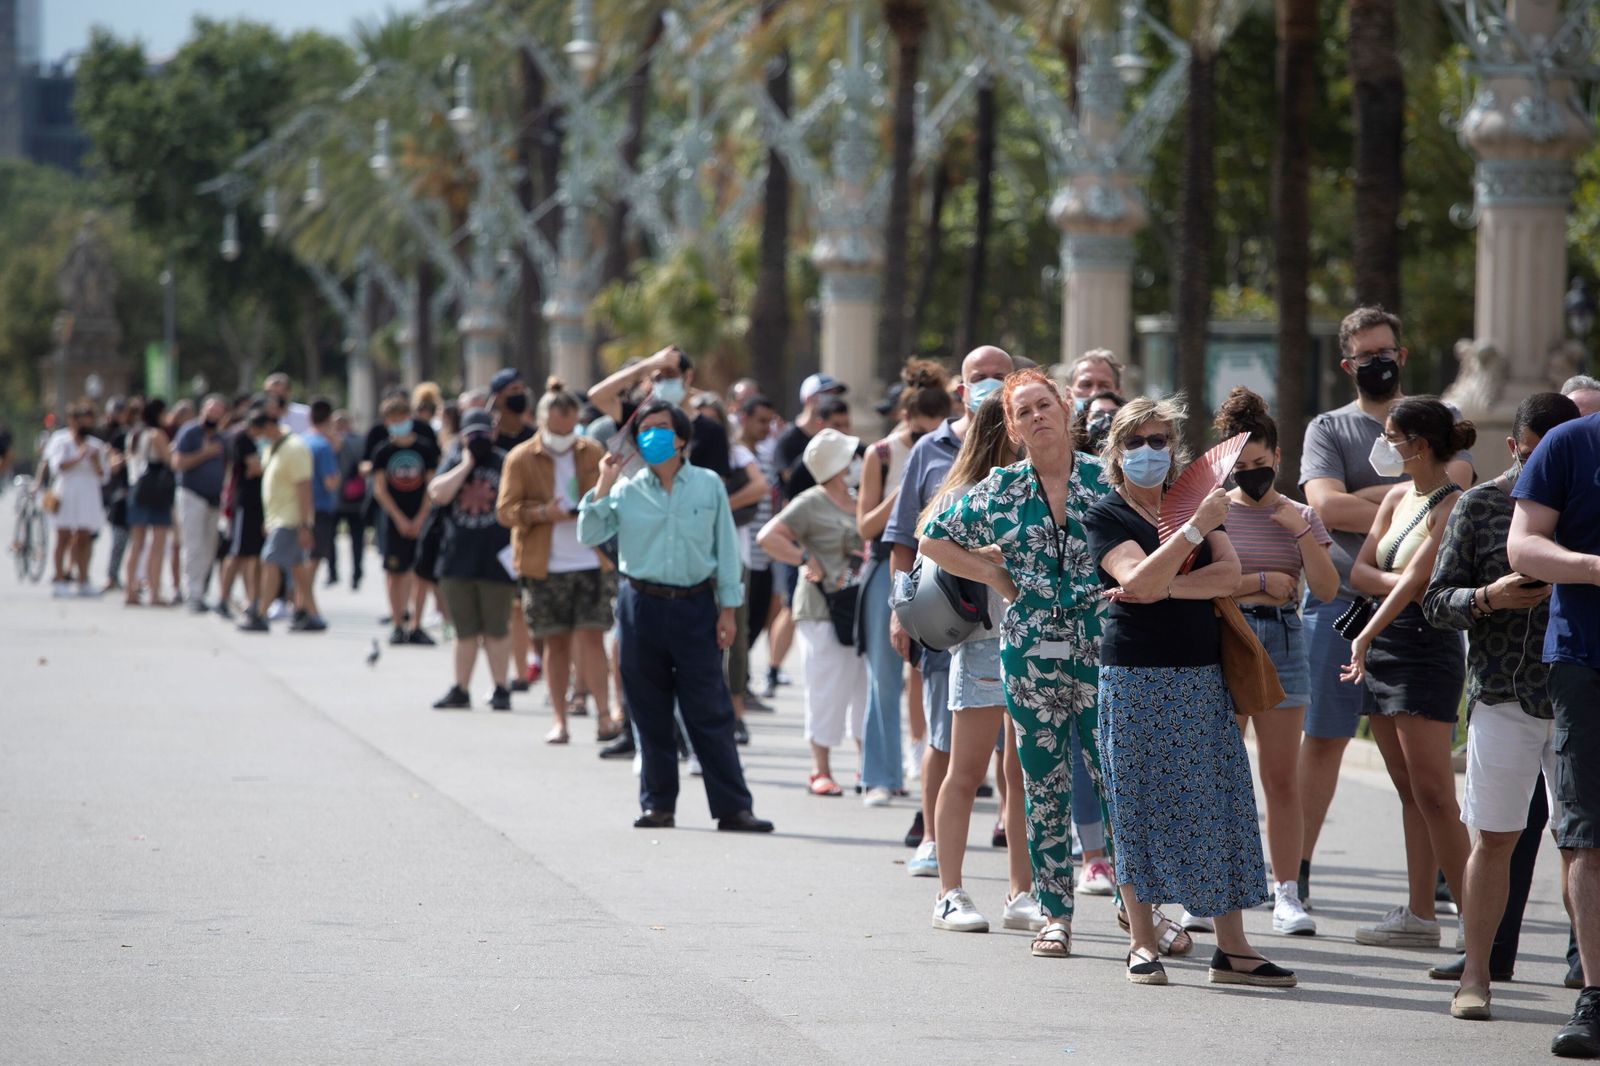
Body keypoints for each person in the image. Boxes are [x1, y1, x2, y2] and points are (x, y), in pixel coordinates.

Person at [1083, 394, 1293, 988]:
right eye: (1136, 442)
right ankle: (1142, 942)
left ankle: (1233, 948)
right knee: (1136, 806)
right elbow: (1133, 577)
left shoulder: (1193, 503)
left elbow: (1228, 574)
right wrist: (1192, 535)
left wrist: (1166, 585)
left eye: (1159, 441)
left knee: (1218, 803)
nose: (1149, 451)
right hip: (1133, 676)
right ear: (1115, 452)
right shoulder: (1107, 514)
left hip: (1201, 674)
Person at [1297, 306, 1474, 907]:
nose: (1378, 362)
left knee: (1422, 777)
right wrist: (1398, 495)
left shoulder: (1439, 418)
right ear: (1348, 364)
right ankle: (1295, 871)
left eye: (1387, 351)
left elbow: (1451, 490)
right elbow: (1325, 508)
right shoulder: (1329, 428)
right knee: (1325, 736)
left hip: (1422, 621)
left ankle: (1442, 892)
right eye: (1365, 355)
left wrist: (1370, 499)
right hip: (1339, 606)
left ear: (1402, 353)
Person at [1423, 391, 1581, 1021]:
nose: (1547, 466)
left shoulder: (1588, 507)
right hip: (1503, 695)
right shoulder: (1483, 504)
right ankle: (1477, 975)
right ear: (1514, 446)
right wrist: (1490, 597)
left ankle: (1589, 983)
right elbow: (1436, 603)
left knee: (1582, 846)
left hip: (1578, 695)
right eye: (1536, 452)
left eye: (1561, 454)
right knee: (1493, 839)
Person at [577, 398, 773, 833]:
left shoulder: (708, 485)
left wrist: (728, 612)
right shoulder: (626, 487)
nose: (651, 436)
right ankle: (658, 806)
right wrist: (604, 482)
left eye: (661, 428)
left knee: (710, 709)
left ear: (681, 438)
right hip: (639, 605)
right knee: (648, 710)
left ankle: (733, 808)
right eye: (644, 429)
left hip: (694, 606)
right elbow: (589, 531)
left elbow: (725, 551)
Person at [917, 381, 1057, 944]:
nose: (1031, 426)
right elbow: (932, 539)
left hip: (1037, 642)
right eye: (1020, 418)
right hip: (983, 643)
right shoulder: (974, 492)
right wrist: (993, 568)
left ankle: (1020, 892)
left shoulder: (1044, 486)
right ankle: (949, 892)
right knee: (968, 770)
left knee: (1022, 773)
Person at [1340, 397, 1474, 949]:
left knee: (1436, 793)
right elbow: (1360, 570)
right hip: (1385, 642)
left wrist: (1368, 631)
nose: (1384, 444)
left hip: (1423, 647)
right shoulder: (1397, 495)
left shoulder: (1455, 502)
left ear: (1418, 444)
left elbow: (1417, 580)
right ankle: (1421, 914)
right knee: (1409, 791)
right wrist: (1381, 608)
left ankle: (1477, 919)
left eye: (1391, 435)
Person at [884, 345, 1013, 872]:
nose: (987, 384)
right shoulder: (930, 450)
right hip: (948, 617)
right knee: (944, 735)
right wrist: (900, 611)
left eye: (998, 376)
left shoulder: (1031, 452)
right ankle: (932, 840)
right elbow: (906, 540)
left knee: (1015, 748)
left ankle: (1011, 835)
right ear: (961, 390)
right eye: (977, 377)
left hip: (1015, 627)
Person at [1215, 388, 1338, 937]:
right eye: (1239, 466)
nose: (1251, 475)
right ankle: (1212, 891)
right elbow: (1197, 584)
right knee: (1218, 772)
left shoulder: (1302, 512)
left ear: (1277, 458)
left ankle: (1286, 892)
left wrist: (1300, 531)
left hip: (1284, 640)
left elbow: (1329, 588)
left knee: (1280, 777)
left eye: (1260, 465)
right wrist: (1259, 581)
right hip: (1226, 637)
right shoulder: (1213, 513)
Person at [1507, 402, 1600, 1057]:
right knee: (1588, 835)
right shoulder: (1571, 443)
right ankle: (1595, 996)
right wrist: (1594, 567)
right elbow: (1525, 544)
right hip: (1584, 660)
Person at [497, 379, 620, 744]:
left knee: (593, 637)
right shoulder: (521, 457)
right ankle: (560, 720)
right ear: (542, 419)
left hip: (590, 560)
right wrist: (542, 513)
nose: (564, 428)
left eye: (569, 421)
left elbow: (611, 495)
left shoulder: (591, 451)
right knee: (555, 644)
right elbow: (505, 511)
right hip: (544, 564)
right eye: (556, 421)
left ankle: (603, 715)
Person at [856, 361, 952, 806]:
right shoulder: (882, 454)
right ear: (906, 418)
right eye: (919, 432)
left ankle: (942, 762)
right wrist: (906, 489)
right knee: (884, 674)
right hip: (887, 564)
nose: (926, 439)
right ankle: (880, 774)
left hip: (941, 568)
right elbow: (866, 526)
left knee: (937, 673)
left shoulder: (954, 446)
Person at [758, 428, 868, 795]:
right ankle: (819, 769)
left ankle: (868, 767)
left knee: (862, 688)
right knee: (825, 687)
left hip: (860, 608)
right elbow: (768, 537)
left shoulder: (861, 499)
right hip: (822, 608)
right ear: (838, 466)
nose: (857, 462)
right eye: (851, 457)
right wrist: (805, 558)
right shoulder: (810, 501)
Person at [428, 409, 514, 711]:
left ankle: (501, 688)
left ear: (493, 432)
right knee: (464, 631)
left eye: (483, 433)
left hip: (497, 562)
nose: (479, 439)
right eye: (471, 434)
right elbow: (437, 494)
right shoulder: (453, 459)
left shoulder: (505, 461)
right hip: (457, 562)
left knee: (496, 629)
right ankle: (461, 688)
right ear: (462, 436)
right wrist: (466, 464)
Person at [699, 394, 772, 743]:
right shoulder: (683, 460)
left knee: (736, 637)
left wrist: (720, 502)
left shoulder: (736, 454)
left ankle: (736, 712)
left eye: (713, 421)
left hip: (734, 556)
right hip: (693, 560)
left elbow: (761, 486)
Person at [238, 408, 324, 632]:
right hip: (278, 518)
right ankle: (309, 613)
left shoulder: (294, 448)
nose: (257, 439)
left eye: (258, 433)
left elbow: (304, 488)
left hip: (291, 518)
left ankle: (261, 614)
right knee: (297, 567)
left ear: (268, 427)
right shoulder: (273, 448)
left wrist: (305, 525)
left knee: (270, 562)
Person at [371, 395, 441, 645]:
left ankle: (416, 624)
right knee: (395, 572)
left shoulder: (424, 448)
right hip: (393, 520)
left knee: (419, 573)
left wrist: (421, 517)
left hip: (421, 517)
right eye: (393, 419)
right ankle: (397, 622)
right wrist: (400, 518)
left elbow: (432, 486)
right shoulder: (383, 451)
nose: (398, 423)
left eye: (402, 418)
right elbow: (380, 489)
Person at [40, 401, 107, 596]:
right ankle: (59, 578)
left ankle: (83, 579)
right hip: (66, 491)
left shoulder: (96, 445)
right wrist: (78, 457)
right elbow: (56, 466)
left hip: (88, 493)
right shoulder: (60, 440)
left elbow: (104, 476)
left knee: (84, 537)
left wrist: (94, 462)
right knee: (63, 536)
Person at [170, 394, 229, 612]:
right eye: (210, 410)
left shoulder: (223, 438)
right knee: (192, 546)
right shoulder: (190, 432)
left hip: (214, 499)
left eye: (218, 412)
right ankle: (191, 594)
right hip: (191, 494)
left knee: (209, 547)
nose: (213, 415)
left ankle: (201, 591)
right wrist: (204, 453)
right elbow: (178, 463)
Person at [123, 398, 175, 606]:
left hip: (136, 489)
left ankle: (129, 590)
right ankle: (154, 592)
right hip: (155, 491)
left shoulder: (133, 435)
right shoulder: (156, 434)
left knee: (136, 543)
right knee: (157, 543)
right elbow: (170, 460)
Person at [217, 400, 265, 619]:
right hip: (244, 502)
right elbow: (254, 468)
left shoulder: (249, 440)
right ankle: (222, 598)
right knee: (237, 553)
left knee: (251, 555)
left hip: (255, 504)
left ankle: (252, 599)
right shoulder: (243, 439)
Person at [304, 399, 342, 590]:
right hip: (320, 508)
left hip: (300, 507)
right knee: (314, 559)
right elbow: (331, 483)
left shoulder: (300, 440)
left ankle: (300, 602)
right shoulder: (322, 446)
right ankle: (303, 604)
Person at [331, 410, 367, 590]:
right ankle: (350, 573)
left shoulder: (348, 441)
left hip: (346, 498)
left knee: (351, 538)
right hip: (350, 498)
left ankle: (337, 573)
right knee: (353, 539)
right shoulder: (359, 441)